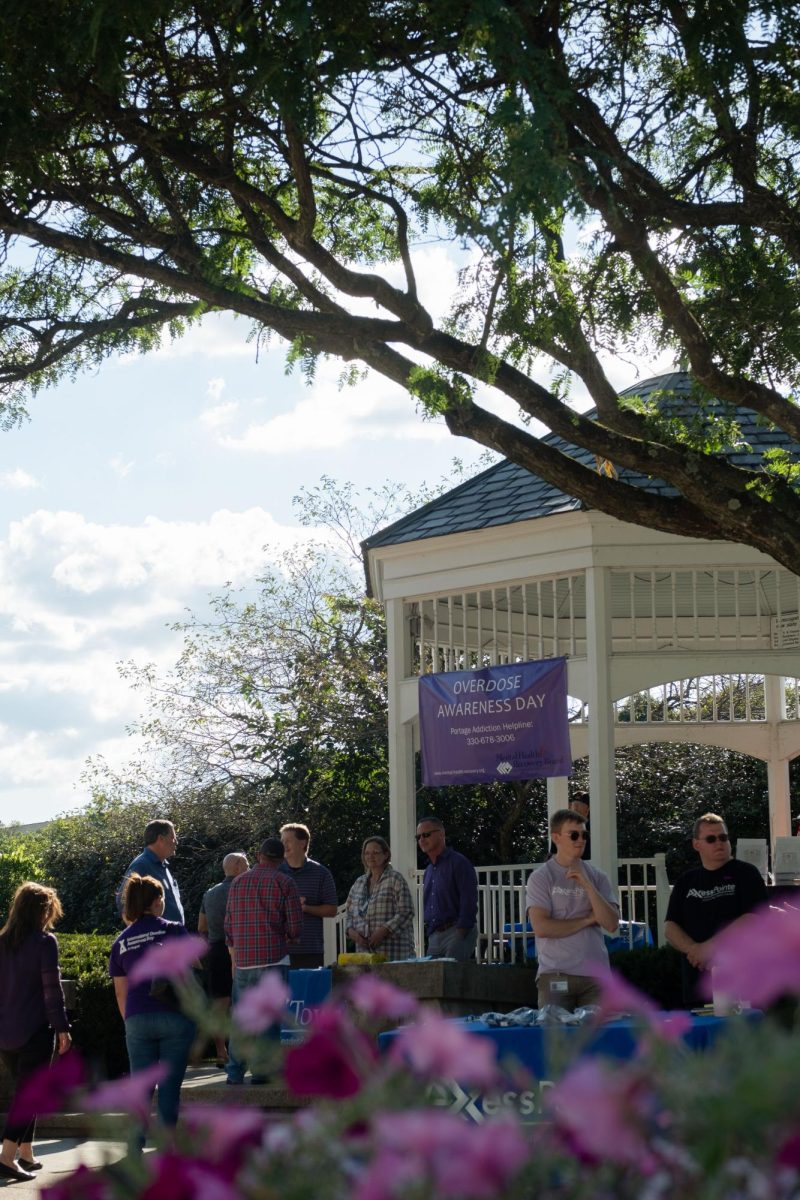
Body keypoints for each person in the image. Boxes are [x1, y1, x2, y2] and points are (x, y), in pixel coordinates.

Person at [108, 874, 196, 1134]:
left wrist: (131, 1022)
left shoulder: (121, 942)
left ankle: (135, 1147)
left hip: (137, 1018)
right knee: (169, 1089)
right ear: (157, 901)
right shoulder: (173, 929)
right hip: (174, 1017)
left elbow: (120, 994)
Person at [0, 882, 71, 1182]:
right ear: (41, 910)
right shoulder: (45, 942)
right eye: (48, 910)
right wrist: (63, 1029)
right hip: (35, 1032)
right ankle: (5, 1158)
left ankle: (26, 1152)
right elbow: (51, 991)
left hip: (4, 1034)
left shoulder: (1, 942)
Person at [665, 812, 768, 1006]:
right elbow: (670, 926)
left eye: (723, 837)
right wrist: (695, 951)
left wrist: (709, 948)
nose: (719, 843)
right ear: (697, 844)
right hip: (697, 982)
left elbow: (754, 919)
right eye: (711, 839)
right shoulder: (686, 881)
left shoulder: (746, 873)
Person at [224, 837, 302, 1085]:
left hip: (245, 961)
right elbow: (295, 926)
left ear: (259, 856)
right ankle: (262, 1070)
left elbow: (228, 926)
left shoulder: (237, 883)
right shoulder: (284, 882)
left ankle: (234, 1071)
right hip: (273, 959)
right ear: (281, 859)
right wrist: (290, 937)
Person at [527, 808, 619, 1011]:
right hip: (556, 975)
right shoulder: (541, 877)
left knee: (598, 1041)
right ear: (556, 837)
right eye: (574, 835)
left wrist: (586, 883)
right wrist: (587, 920)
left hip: (596, 978)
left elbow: (611, 923)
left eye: (584, 835)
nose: (581, 840)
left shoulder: (597, 876)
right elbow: (542, 927)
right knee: (558, 1041)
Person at [198, 852, 249, 1066]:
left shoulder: (209, 893)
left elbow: (201, 927)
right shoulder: (245, 890)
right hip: (243, 949)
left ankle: (221, 1051)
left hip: (217, 949)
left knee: (219, 1002)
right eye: (246, 864)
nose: (249, 868)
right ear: (237, 867)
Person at [416, 817, 478, 962]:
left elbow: (469, 900)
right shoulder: (428, 870)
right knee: (432, 980)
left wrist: (461, 931)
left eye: (426, 834)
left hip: (456, 930)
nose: (421, 839)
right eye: (418, 836)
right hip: (434, 936)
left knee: (452, 980)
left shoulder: (459, 863)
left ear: (441, 834)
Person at [345, 836, 416, 959]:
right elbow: (349, 915)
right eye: (367, 853)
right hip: (365, 955)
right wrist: (353, 934)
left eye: (375, 852)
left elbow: (406, 912)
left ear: (386, 855)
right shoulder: (359, 883)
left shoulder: (395, 879)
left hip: (393, 953)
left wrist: (384, 930)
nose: (370, 856)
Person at [279, 823, 338, 968]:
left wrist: (305, 908)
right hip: (278, 951)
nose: (283, 845)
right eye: (282, 841)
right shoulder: (275, 872)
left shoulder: (321, 873)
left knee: (310, 991)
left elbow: (332, 910)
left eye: (288, 841)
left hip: (310, 951)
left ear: (302, 843)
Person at [117, 819, 184, 924]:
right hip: (158, 938)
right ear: (161, 839)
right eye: (173, 837)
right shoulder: (141, 865)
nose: (176, 841)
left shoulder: (163, 865)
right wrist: (142, 933)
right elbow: (123, 902)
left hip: (173, 936)